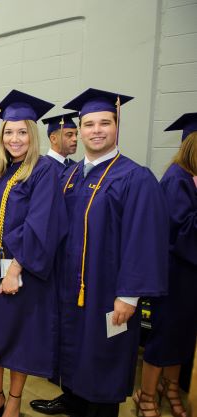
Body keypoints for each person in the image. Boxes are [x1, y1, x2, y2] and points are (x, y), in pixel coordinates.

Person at [31, 88, 169, 417]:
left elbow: (144, 240)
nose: (96, 130)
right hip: (68, 288)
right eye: (88, 124)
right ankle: (72, 400)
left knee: (104, 357)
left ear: (117, 125)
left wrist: (130, 296)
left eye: (104, 123)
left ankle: (99, 411)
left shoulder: (135, 178)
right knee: (72, 349)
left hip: (108, 292)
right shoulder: (70, 175)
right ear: (78, 129)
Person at [0, 91, 66, 417]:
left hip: (20, 274)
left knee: (18, 338)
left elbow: (42, 223)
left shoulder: (43, 171)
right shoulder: (0, 172)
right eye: (8, 132)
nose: (14, 138)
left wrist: (15, 269)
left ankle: (13, 401)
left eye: (22, 131)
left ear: (32, 135)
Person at [132, 113, 197, 417]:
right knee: (164, 337)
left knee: (183, 336)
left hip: (190, 276)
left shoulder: (190, 179)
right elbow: (181, 232)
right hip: (174, 274)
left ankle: (170, 388)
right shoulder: (176, 179)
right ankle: (145, 395)